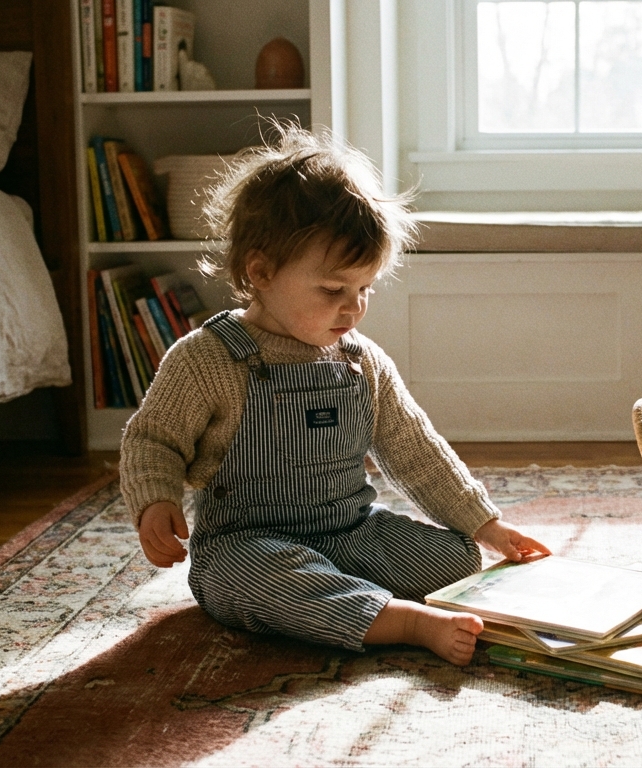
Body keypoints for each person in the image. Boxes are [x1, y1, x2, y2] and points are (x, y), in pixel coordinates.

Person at [119, 123, 550, 666]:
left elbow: (415, 450)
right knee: (252, 580)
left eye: (364, 288)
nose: (355, 308)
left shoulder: (359, 360)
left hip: (350, 533)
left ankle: (349, 599)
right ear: (261, 271)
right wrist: (154, 502)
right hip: (249, 544)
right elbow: (152, 440)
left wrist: (485, 525)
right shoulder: (209, 358)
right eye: (333, 290)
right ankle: (404, 622)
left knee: (457, 559)